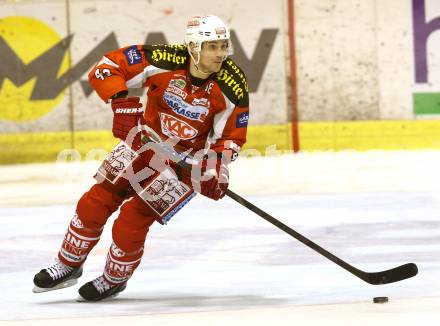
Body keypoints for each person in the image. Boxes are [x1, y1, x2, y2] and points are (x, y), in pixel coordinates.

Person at [32, 15, 249, 301]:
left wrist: (213, 170)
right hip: (144, 143)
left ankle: (114, 279)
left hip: (186, 164)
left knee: (131, 221)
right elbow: (106, 67)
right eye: (212, 46)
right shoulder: (163, 58)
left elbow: (231, 138)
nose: (220, 53)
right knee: (95, 201)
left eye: (223, 45)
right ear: (193, 46)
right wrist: (120, 101)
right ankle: (68, 265)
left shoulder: (233, 84)